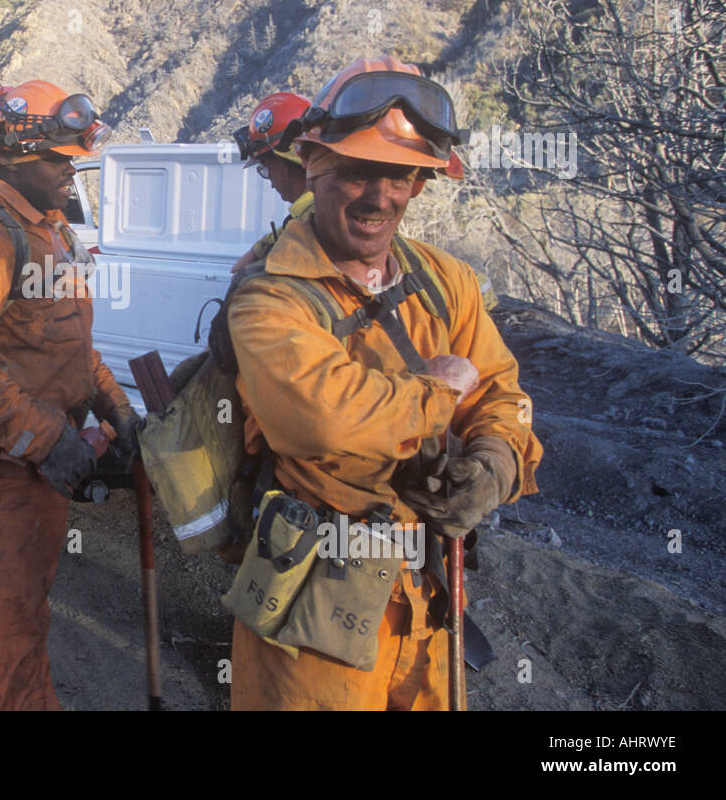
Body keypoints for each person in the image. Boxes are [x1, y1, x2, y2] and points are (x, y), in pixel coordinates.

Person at [225, 56, 543, 710]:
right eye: (356, 172)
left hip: (426, 599)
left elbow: (502, 392)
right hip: (314, 604)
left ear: (420, 183)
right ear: (314, 165)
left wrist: (495, 461)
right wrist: (439, 394)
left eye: (399, 174)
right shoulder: (268, 297)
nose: (379, 195)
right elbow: (325, 418)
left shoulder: (445, 280)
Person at [0, 79, 138, 710]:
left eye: (75, 161)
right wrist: (45, 438)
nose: (72, 175)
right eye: (59, 162)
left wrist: (113, 407)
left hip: (38, 456)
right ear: (19, 156)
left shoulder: (53, 234)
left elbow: (70, 347)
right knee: (11, 619)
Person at [230, 91, 313, 273]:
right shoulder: (305, 216)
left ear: (284, 164)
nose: (271, 183)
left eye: (266, 169)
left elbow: (238, 270)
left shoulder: (313, 223)